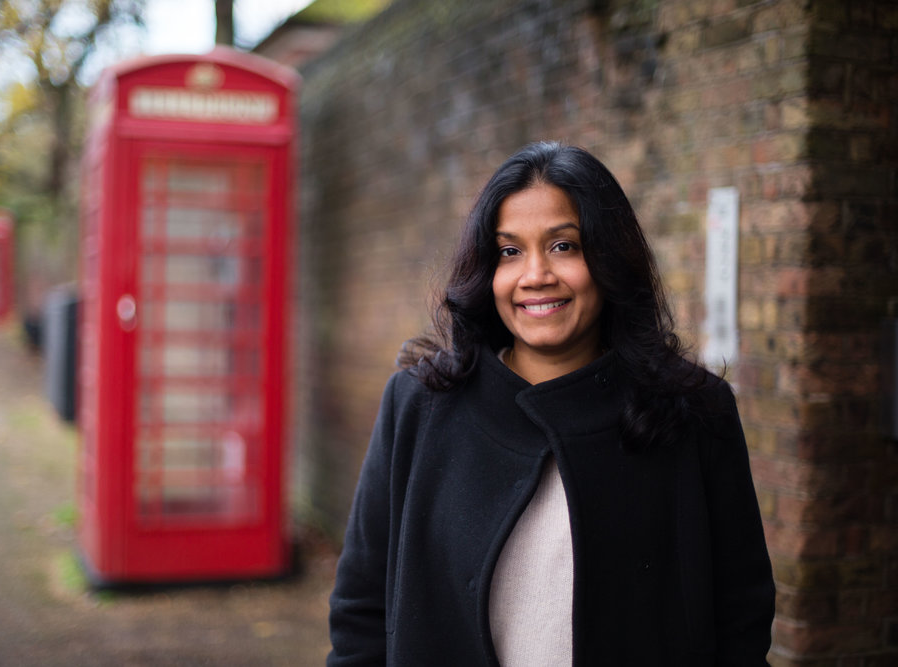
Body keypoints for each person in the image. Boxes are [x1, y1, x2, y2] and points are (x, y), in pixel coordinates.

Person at [327, 142, 775, 665]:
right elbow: (361, 612)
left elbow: (741, 618)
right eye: (509, 251)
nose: (535, 274)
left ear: (609, 258)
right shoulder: (418, 405)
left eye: (564, 246)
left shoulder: (694, 411)